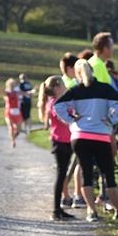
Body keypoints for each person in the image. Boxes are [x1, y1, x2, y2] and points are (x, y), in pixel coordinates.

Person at [54, 58, 118, 221]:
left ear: (78, 74)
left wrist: (72, 119)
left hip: (80, 136)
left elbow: (57, 106)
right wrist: (111, 119)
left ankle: (91, 211)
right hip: (101, 135)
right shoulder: (105, 89)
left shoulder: (75, 90)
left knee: (86, 174)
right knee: (108, 174)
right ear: (92, 71)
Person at [39, 76, 75, 221]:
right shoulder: (55, 103)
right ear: (56, 87)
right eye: (63, 85)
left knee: (63, 174)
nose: (65, 87)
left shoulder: (57, 102)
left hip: (65, 141)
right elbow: (65, 119)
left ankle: (58, 209)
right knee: (61, 175)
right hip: (60, 142)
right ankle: (56, 209)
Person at [2, 78, 24, 148]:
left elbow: (26, 93)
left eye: (13, 84)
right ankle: (13, 141)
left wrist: (33, 91)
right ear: (8, 85)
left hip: (17, 111)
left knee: (19, 130)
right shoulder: (6, 92)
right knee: (11, 127)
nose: (12, 85)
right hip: (9, 111)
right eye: (11, 84)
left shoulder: (17, 92)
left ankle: (13, 137)